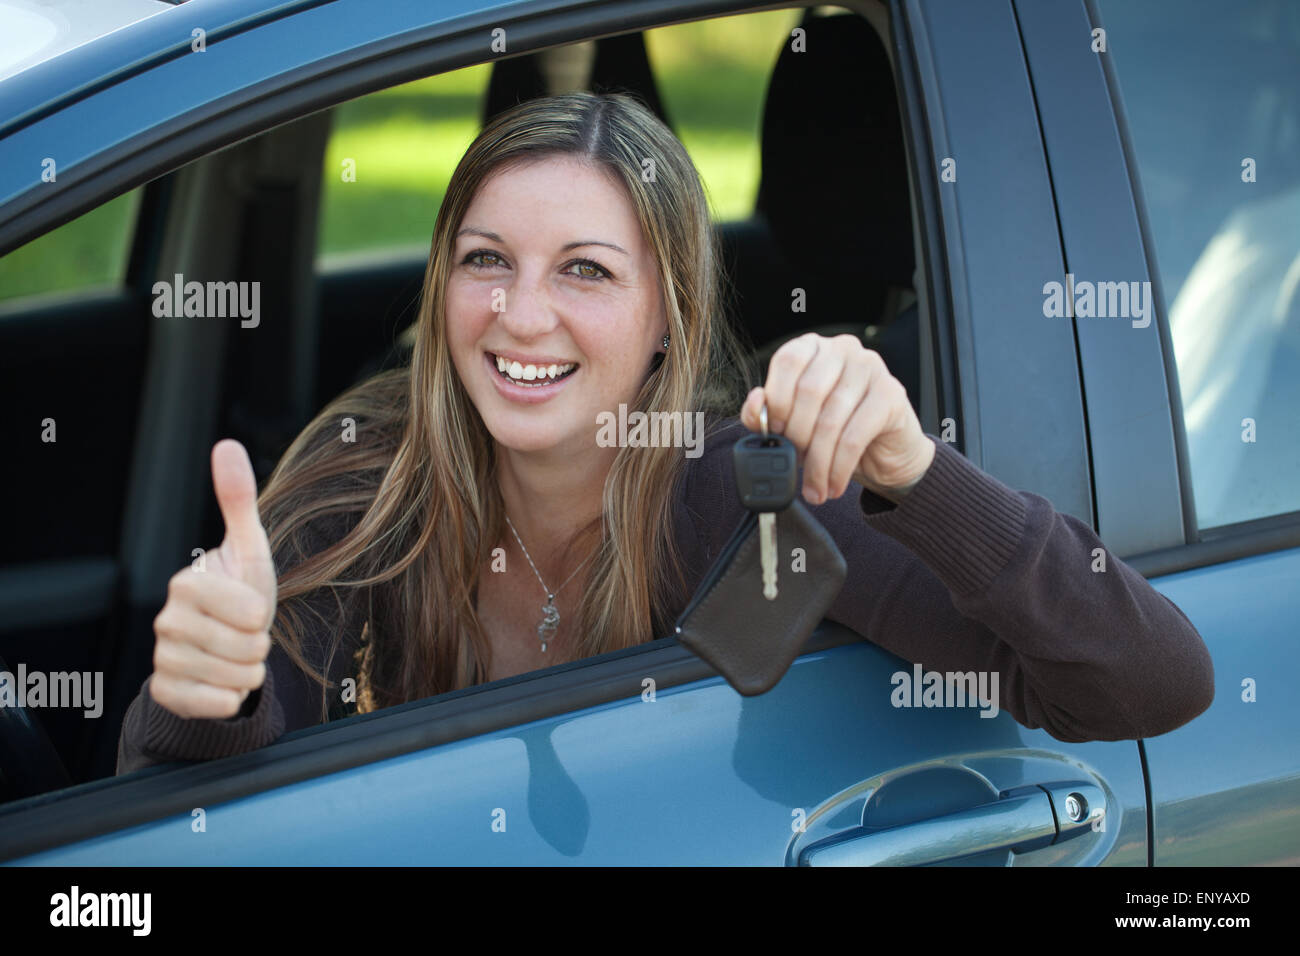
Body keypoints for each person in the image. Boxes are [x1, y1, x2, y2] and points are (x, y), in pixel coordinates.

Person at [117, 91, 1214, 774]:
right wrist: (211, 696)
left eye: (584, 270)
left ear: (666, 324)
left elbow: (1149, 682)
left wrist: (915, 472)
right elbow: (166, 819)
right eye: (486, 258)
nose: (520, 313)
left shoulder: (755, 499)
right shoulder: (353, 487)